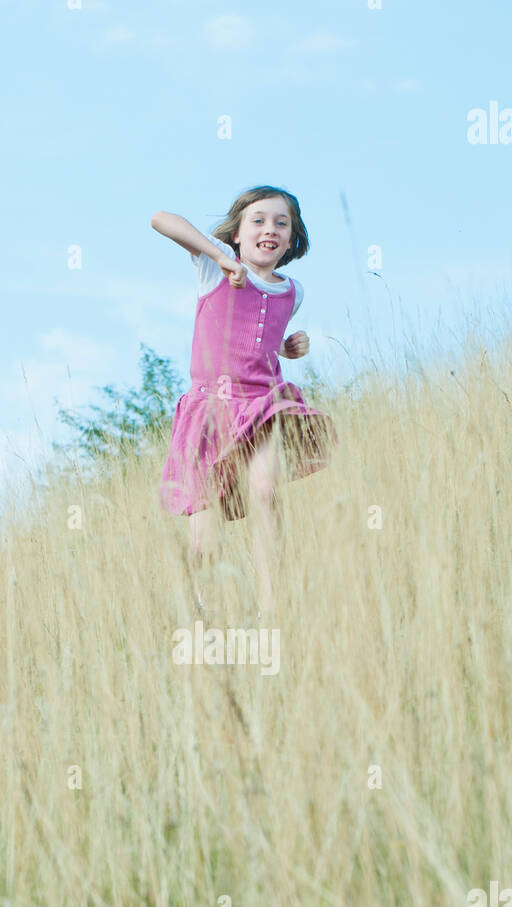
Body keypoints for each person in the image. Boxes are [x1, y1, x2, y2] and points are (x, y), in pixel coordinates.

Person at [151, 186, 336, 614]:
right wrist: (217, 257)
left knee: (266, 490)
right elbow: (161, 218)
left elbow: (264, 339)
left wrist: (290, 347)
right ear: (236, 233)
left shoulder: (293, 291)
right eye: (258, 220)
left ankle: (273, 605)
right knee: (204, 541)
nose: (269, 229)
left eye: (281, 223)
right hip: (209, 412)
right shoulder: (215, 265)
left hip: (263, 405)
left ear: (292, 239)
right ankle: (206, 611)